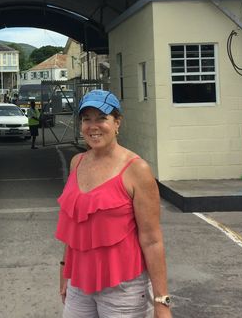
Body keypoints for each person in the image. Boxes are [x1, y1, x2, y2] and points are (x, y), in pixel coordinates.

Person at [55, 90, 172, 317]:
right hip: (79, 282)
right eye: (86, 119)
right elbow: (74, 226)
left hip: (124, 287)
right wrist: (64, 270)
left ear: (117, 122)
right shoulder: (77, 163)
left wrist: (161, 301)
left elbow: (152, 240)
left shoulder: (137, 170)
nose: (93, 125)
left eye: (101, 118)